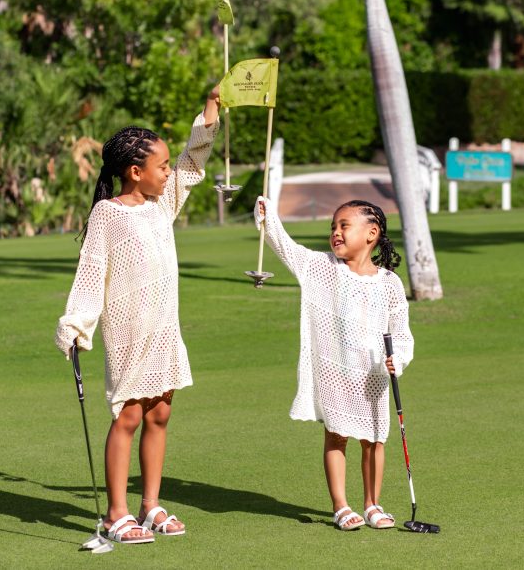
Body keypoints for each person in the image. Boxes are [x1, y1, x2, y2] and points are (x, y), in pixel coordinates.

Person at [54, 85, 221, 544]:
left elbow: (192, 163)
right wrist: (76, 324)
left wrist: (208, 113)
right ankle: (116, 513)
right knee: (128, 416)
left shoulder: (160, 205)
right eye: (160, 166)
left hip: (165, 328)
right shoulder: (108, 215)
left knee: (160, 413)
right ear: (135, 171)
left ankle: (150, 507)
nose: (169, 172)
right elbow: (91, 274)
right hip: (130, 332)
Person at [253, 196, 415, 531]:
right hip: (335, 373)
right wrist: (270, 220)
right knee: (337, 436)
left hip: (373, 378)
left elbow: (402, 336)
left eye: (344, 226)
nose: (336, 233)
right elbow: (287, 249)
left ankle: (372, 503)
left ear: (372, 234)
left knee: (374, 439)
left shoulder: (390, 284)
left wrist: (397, 359)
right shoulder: (321, 267)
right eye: (333, 227)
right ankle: (341, 506)